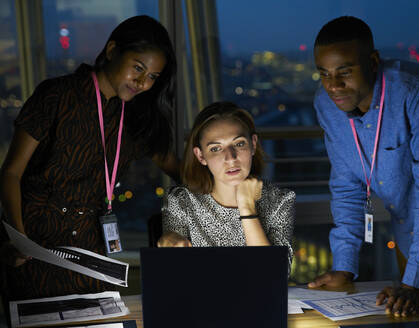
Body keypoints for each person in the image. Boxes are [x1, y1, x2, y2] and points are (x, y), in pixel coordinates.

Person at [308, 16, 419, 323]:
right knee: (404, 313)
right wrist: (344, 265)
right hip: (407, 220)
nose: (333, 86)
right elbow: (346, 186)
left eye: (345, 72)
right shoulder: (326, 104)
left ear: (373, 61)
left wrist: (414, 283)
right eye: (324, 74)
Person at [0, 15, 179, 313]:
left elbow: (182, 171)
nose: (143, 83)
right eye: (138, 68)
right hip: (35, 250)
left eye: (152, 77)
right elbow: (11, 173)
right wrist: (17, 238)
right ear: (112, 51)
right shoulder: (56, 96)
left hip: (92, 256)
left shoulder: (135, 118)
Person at [157, 101, 295, 267]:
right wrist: (169, 241)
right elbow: (173, 270)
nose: (230, 158)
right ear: (200, 156)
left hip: (257, 294)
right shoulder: (181, 201)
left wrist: (247, 207)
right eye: (216, 148)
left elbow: (274, 273)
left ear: (253, 144)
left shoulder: (280, 201)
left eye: (239, 144)